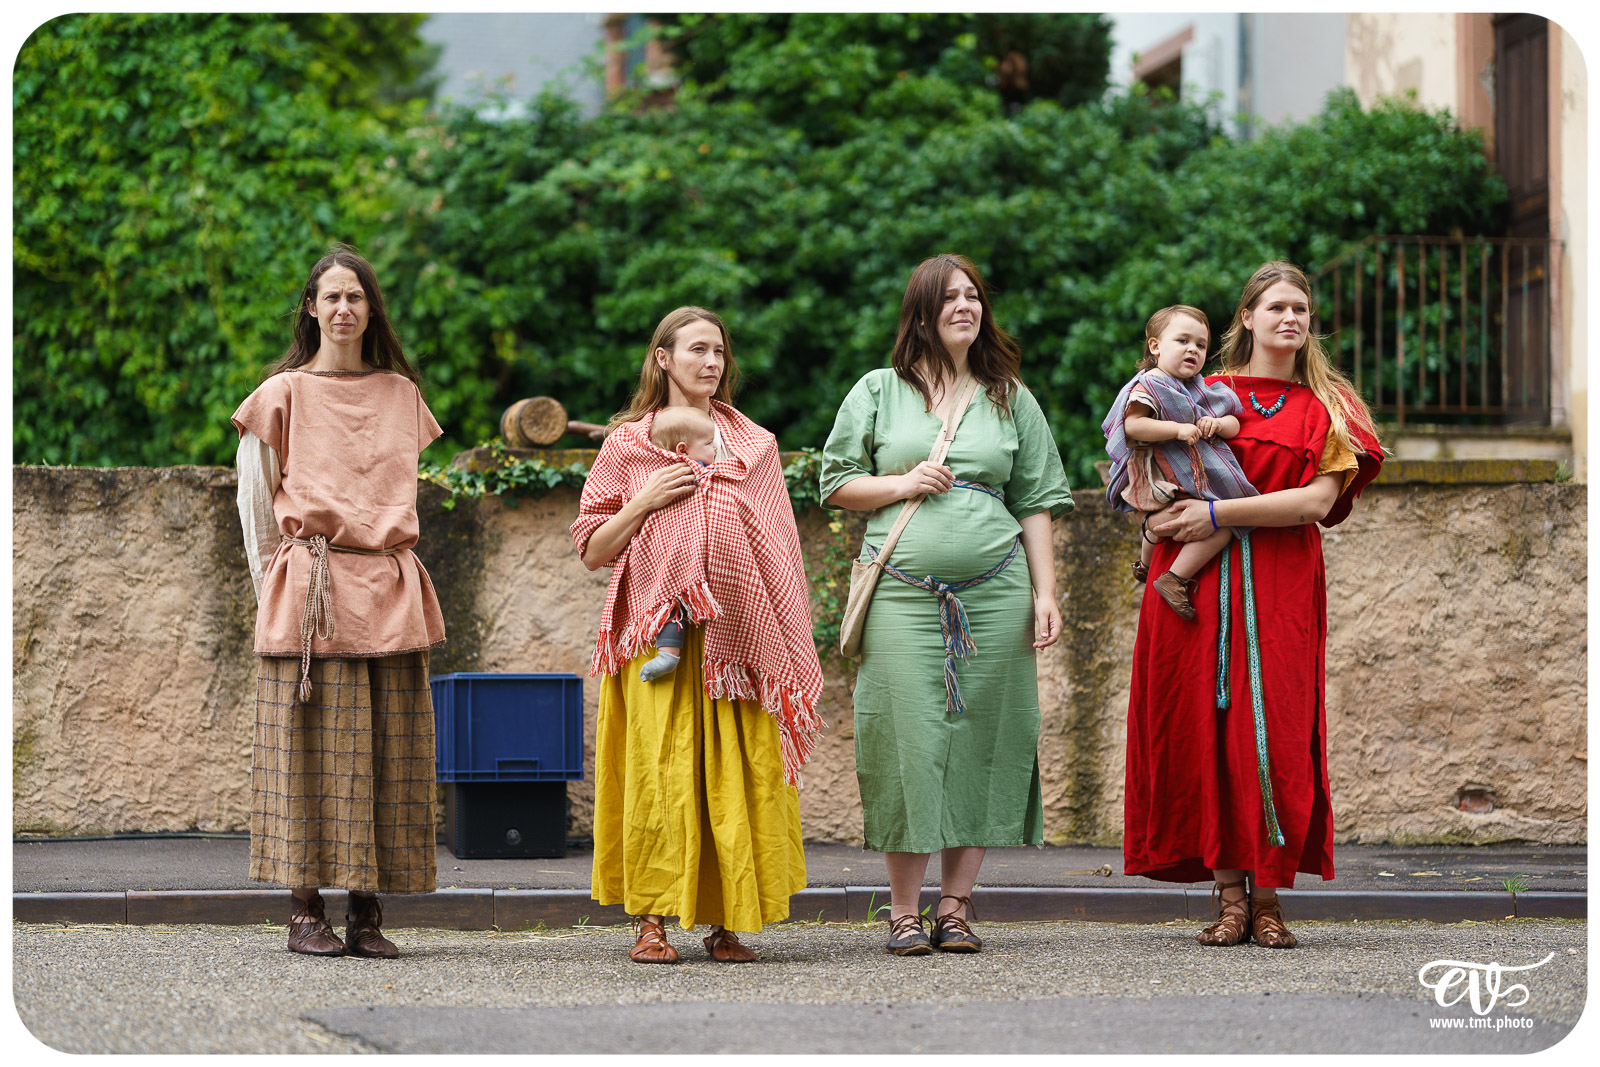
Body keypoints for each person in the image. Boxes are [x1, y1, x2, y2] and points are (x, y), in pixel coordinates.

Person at [1124, 261, 1383, 949]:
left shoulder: (1329, 404)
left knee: (1269, 733)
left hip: (1280, 585)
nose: (1291, 318)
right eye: (1276, 306)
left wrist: (1218, 510)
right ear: (1247, 317)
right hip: (1192, 585)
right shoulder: (1200, 390)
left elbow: (1317, 502)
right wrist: (1156, 516)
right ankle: (1230, 897)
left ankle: (1268, 898)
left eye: (1301, 307)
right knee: (1206, 730)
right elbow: (1139, 453)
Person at [820, 254, 1073, 956]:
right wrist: (902, 483)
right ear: (923, 311)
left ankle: (955, 908)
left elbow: (1039, 501)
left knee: (986, 739)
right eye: (950, 296)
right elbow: (835, 482)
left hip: (996, 594)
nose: (965, 305)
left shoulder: (1008, 396)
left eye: (974, 295)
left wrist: (1045, 593)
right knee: (909, 740)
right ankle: (904, 911)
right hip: (903, 594)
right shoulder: (876, 390)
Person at [570, 306, 822, 964]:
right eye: (696, 350)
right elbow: (593, 548)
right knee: (657, 773)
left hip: (739, 645)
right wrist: (645, 501)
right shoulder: (627, 445)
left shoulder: (754, 446)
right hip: (656, 642)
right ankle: (650, 920)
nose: (711, 363)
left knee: (734, 776)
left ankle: (726, 920)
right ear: (663, 358)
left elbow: (777, 552)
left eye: (719, 352)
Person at [232, 245, 446, 958]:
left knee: (388, 753)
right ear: (311, 308)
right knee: (308, 756)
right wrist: (278, 588)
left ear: (371, 308)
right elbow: (256, 503)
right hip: (310, 593)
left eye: (357, 297)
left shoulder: (401, 396)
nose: (345, 309)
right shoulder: (282, 393)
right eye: (332, 297)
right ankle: (303, 910)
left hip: (388, 589)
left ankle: (366, 911)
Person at [1101, 305, 1258, 619]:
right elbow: (1132, 427)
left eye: (1200, 345)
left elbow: (1235, 424)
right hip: (1158, 476)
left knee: (1182, 520)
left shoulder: (1200, 389)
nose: (1193, 349)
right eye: (1182, 340)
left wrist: (1219, 425)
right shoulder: (1150, 385)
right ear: (1155, 346)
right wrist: (1176, 430)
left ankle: (1146, 565)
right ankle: (1174, 577)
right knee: (1226, 523)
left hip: (1184, 477)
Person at [637, 406, 720, 682]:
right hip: (682, 558)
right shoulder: (694, 471)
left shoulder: (658, 472)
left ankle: (668, 655)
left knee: (671, 605)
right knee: (672, 603)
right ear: (683, 450)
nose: (716, 450)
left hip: (675, 561)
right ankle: (668, 656)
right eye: (709, 444)